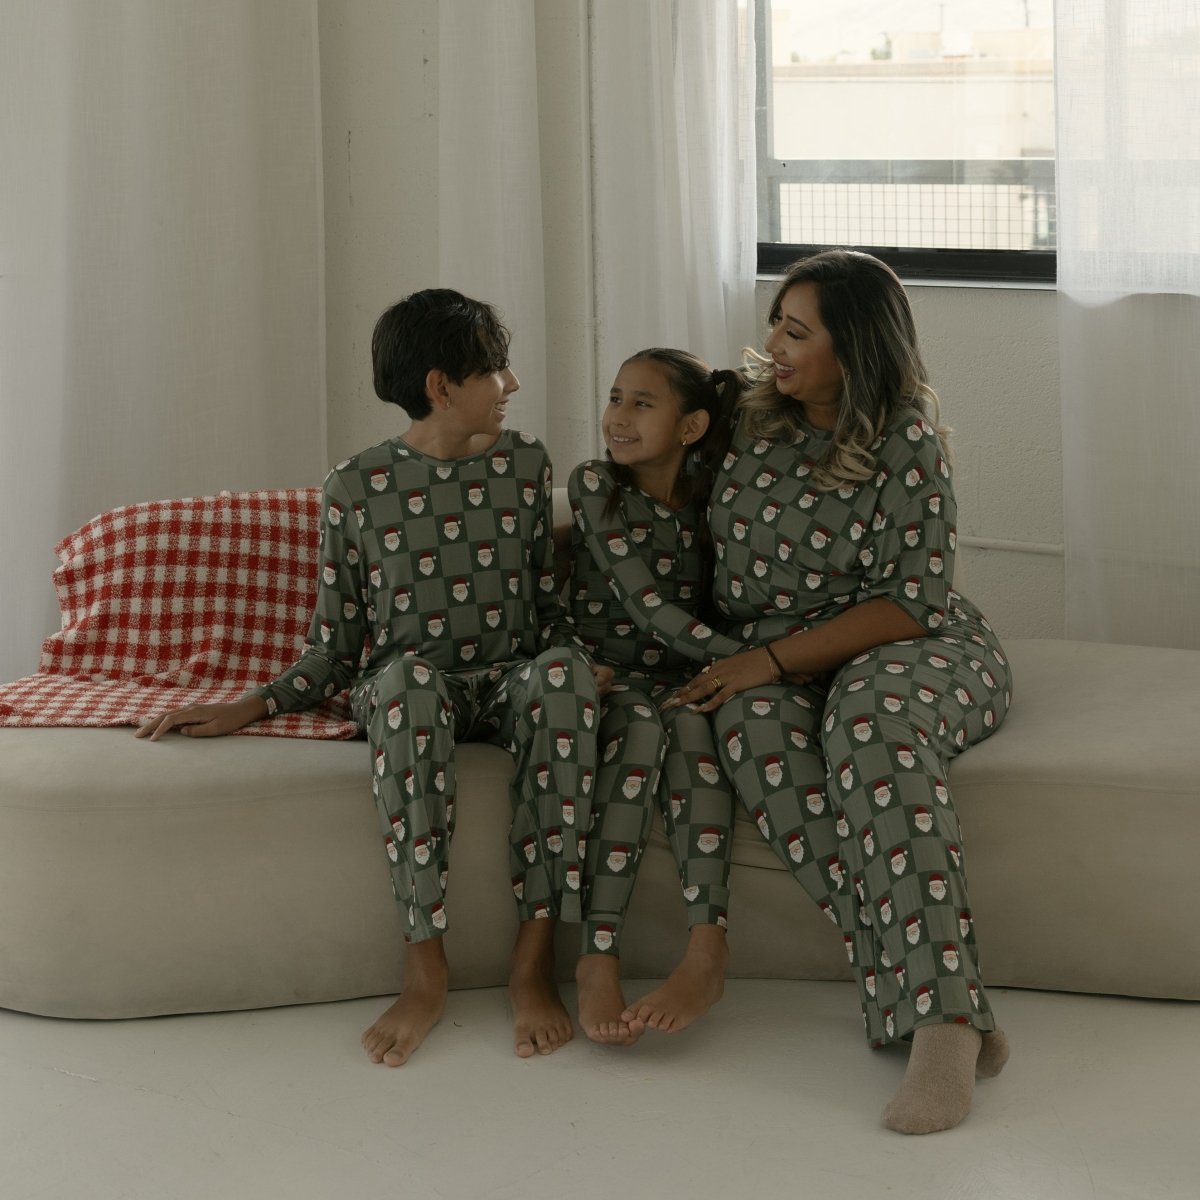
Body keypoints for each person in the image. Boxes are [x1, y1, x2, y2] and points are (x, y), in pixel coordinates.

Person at [136, 288, 600, 1064]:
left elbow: (543, 604)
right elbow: (336, 645)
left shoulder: (526, 464)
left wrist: (578, 666)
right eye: (495, 369)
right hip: (412, 686)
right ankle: (425, 971)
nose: (512, 385)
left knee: (562, 681)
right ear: (440, 385)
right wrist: (249, 705)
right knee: (406, 688)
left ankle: (532, 964)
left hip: (513, 676)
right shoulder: (357, 486)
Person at [663, 251, 1011, 1134]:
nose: (773, 344)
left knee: (868, 725)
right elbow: (640, 462)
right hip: (769, 657)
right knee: (741, 726)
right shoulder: (747, 415)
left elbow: (912, 599)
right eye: (776, 321)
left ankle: (941, 1031)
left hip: (906, 643)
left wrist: (774, 663)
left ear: (853, 347)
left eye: (796, 330)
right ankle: (956, 1001)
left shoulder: (907, 437)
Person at [567, 349, 746, 1046]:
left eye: (642, 403)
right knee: (639, 733)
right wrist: (761, 661)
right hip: (607, 673)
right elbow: (647, 609)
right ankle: (596, 955)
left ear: (693, 425)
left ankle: (707, 950)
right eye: (615, 397)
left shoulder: (716, 500)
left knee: (698, 739)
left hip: (683, 676)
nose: (618, 415)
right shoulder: (594, 486)